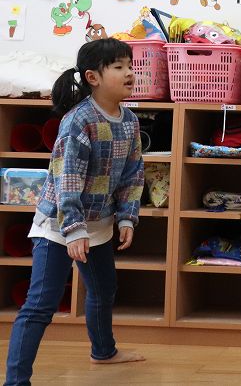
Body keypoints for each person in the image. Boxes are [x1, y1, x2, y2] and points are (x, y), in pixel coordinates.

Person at [5, 39, 145, 385]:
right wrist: (74, 228)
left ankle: (104, 351)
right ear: (93, 77)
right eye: (119, 67)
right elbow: (67, 179)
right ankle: (16, 381)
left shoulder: (129, 121)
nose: (129, 73)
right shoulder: (78, 121)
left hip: (98, 224)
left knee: (103, 290)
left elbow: (133, 174)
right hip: (59, 226)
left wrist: (127, 216)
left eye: (130, 65)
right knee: (40, 304)